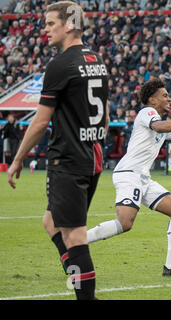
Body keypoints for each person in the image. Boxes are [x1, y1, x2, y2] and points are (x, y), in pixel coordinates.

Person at [7, 1, 110, 300]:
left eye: (50, 24)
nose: (45, 30)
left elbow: (40, 121)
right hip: (92, 156)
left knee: (75, 235)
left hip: (68, 160)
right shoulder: (97, 60)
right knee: (51, 222)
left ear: (69, 25)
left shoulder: (60, 64)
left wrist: (17, 159)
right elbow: (103, 115)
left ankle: (85, 295)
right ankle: (77, 277)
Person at [86, 78, 171, 277]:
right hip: (129, 174)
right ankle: (75, 244)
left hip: (142, 178)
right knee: (125, 223)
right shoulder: (148, 113)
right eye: (165, 96)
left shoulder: (163, 123)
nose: (169, 99)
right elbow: (159, 127)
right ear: (152, 100)